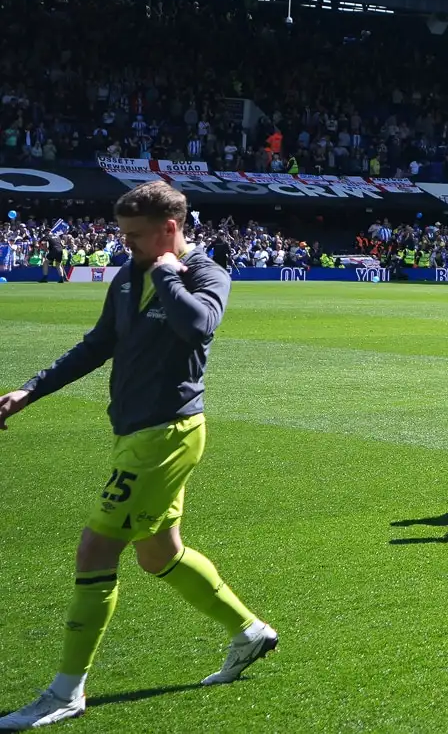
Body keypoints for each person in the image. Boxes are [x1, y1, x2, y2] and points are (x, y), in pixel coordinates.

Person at [0, 182, 277, 731]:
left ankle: (65, 691)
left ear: (170, 229)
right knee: (158, 554)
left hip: (166, 435)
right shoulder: (129, 274)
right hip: (134, 431)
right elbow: (99, 343)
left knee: (96, 548)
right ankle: (249, 631)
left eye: (135, 235)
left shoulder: (204, 275)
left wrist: (168, 272)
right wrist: (31, 390)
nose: (125, 245)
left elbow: (198, 327)